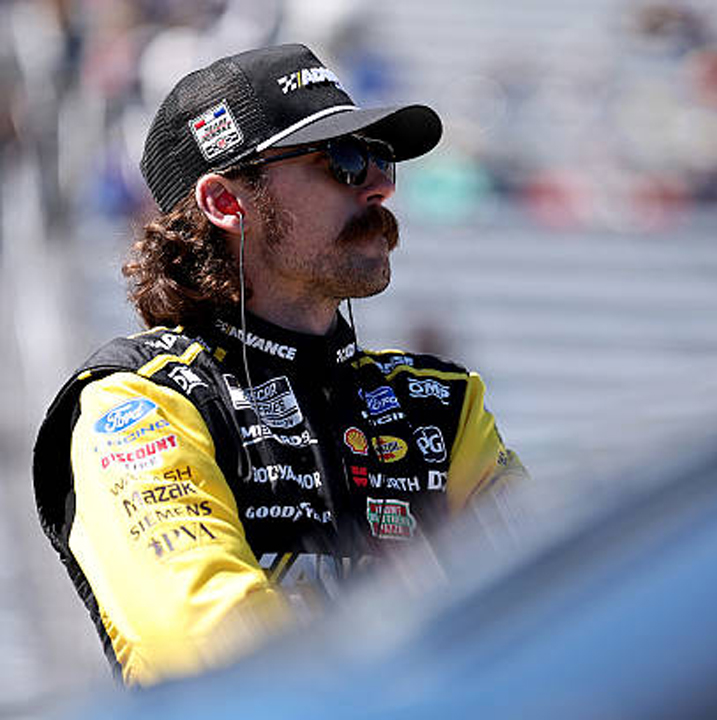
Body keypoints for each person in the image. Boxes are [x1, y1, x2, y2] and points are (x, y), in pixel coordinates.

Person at [31, 43, 528, 687]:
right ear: (226, 202)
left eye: (379, 157)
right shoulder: (139, 404)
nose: (379, 185)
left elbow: (552, 612)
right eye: (342, 161)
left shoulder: (442, 406)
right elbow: (219, 654)